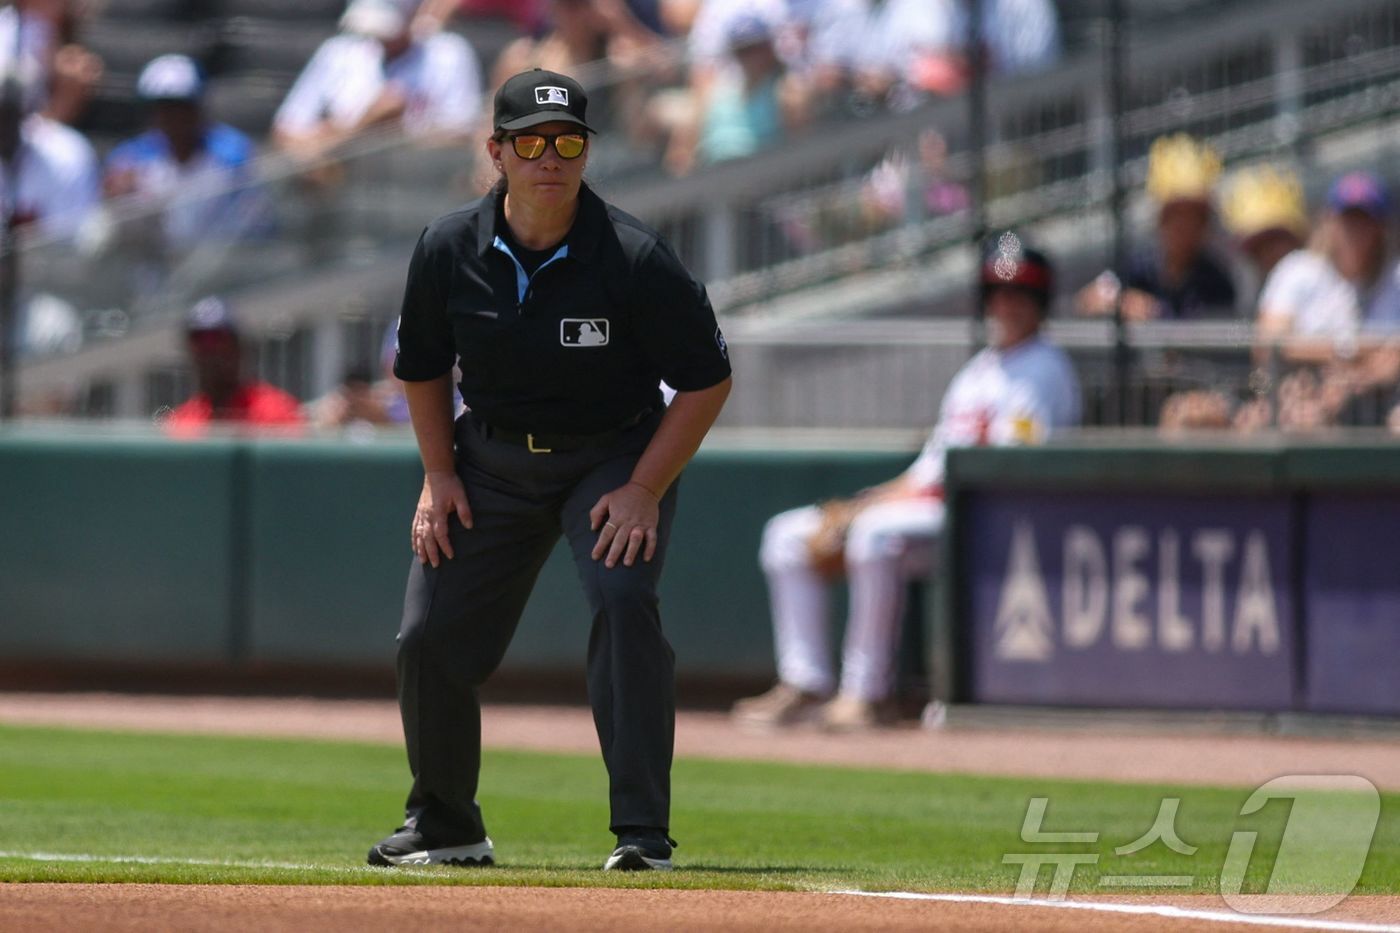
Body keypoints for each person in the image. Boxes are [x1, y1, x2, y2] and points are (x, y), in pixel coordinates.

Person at [367, 68, 732, 872]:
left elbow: (707, 379)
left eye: (568, 142)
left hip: (609, 457)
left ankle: (642, 831)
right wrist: (438, 473)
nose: (550, 159)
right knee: (426, 635)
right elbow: (421, 365)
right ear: (496, 151)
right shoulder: (448, 246)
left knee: (622, 598)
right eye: (530, 142)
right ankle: (446, 824)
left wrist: (643, 488)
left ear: (586, 152)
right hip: (487, 460)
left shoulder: (634, 255)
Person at [733, 232, 1079, 731]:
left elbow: (1003, 471)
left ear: (1040, 301)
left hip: (993, 522)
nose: (1006, 304)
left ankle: (865, 693)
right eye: (997, 293)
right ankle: (805, 682)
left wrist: (870, 515)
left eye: (1019, 294)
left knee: (877, 536)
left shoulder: (1044, 370)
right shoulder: (979, 370)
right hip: (935, 510)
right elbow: (929, 468)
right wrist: (865, 502)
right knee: (788, 535)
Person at [101, 55, 266, 265]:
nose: (172, 117)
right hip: (153, 270)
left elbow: (253, 225)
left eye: (179, 106)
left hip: (220, 269)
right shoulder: (131, 158)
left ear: (197, 107)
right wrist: (118, 199)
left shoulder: (233, 154)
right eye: (162, 107)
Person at [271, 0, 483, 162]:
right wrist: (363, 125)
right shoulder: (337, 51)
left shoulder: (449, 53)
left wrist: (395, 129)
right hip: (339, 184)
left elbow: (461, 133)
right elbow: (286, 129)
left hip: (414, 178)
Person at [1077, 134, 1237, 321]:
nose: (1184, 226)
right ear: (1161, 219)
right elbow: (1088, 299)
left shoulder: (1216, 280)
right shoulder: (1139, 266)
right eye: (1175, 215)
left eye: (1194, 216)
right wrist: (1127, 302)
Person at [164, 296, 305, 435]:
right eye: (198, 339)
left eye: (217, 338)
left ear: (239, 348)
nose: (209, 351)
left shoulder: (275, 411)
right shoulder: (181, 422)